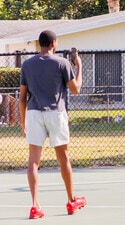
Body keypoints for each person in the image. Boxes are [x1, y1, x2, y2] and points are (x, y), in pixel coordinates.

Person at [18, 31, 87, 219]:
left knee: (33, 161)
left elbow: (22, 98)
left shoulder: (27, 65)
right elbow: (76, 89)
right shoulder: (62, 63)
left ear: (39, 44)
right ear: (54, 44)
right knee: (63, 158)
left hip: (33, 113)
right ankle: (71, 201)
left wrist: (23, 121)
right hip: (56, 113)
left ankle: (35, 206)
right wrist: (79, 66)